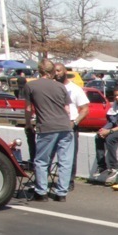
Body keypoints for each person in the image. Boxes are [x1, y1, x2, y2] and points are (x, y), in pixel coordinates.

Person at [23, 58, 73, 202]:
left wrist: (28, 124)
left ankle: (41, 191)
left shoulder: (31, 86)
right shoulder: (61, 87)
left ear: (39, 71)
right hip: (64, 126)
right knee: (65, 160)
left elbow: (28, 109)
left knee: (42, 160)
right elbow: (67, 109)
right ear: (52, 71)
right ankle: (61, 193)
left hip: (46, 127)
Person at [55, 63, 89, 191]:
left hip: (69, 126)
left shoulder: (75, 89)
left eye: (59, 70)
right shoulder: (52, 88)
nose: (56, 73)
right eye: (54, 71)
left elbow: (85, 109)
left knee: (69, 156)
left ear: (65, 71)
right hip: (54, 125)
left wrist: (74, 122)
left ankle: (68, 181)